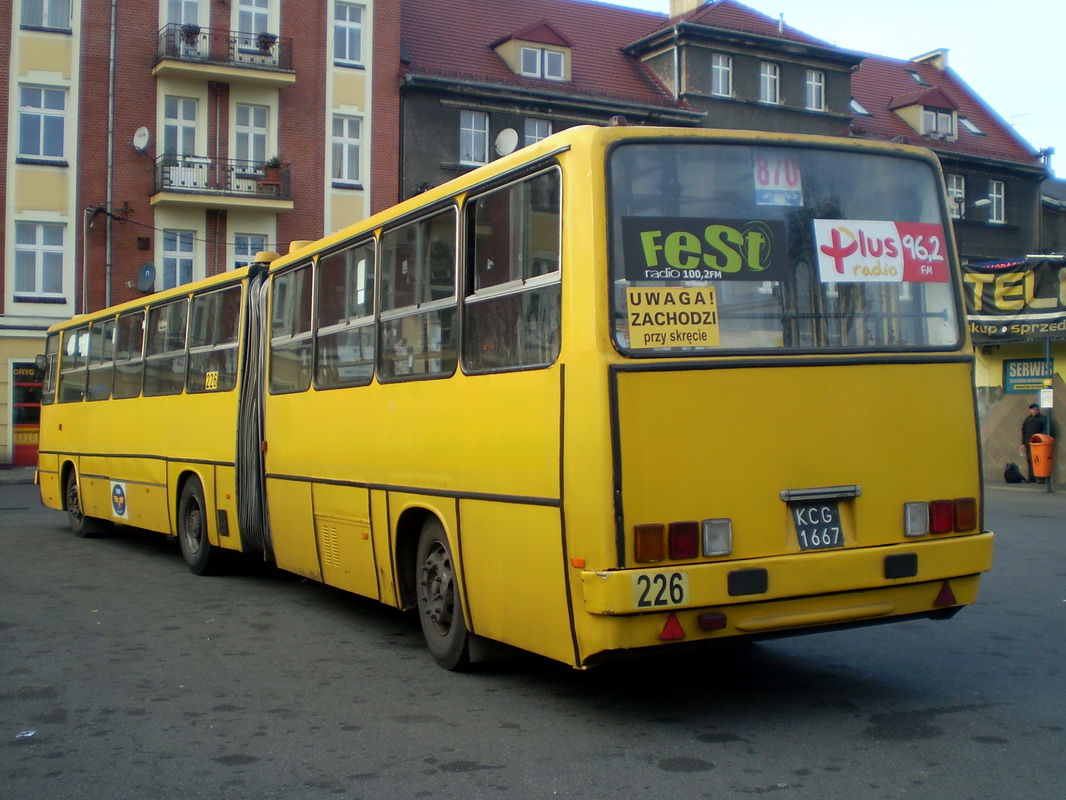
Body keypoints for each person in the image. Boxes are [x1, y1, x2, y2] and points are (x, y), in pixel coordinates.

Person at [1021, 403, 1049, 483]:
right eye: (1033, 409)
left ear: (1039, 410)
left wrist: (1041, 438)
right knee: (1030, 460)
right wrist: (1023, 443)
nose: (1035, 411)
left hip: (1039, 443)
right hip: (1029, 443)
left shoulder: (1043, 419)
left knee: (1039, 460)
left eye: (1036, 409)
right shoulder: (1027, 419)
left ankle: (1041, 478)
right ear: (1030, 410)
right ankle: (1031, 477)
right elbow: (1024, 432)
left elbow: (1046, 430)